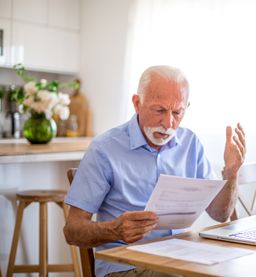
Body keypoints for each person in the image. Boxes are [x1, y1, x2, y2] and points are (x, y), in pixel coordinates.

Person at [63, 65, 246, 277]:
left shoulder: (190, 143)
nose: (168, 123)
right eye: (159, 110)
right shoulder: (105, 149)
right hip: (126, 267)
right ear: (137, 103)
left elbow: (220, 214)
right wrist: (114, 229)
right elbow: (72, 231)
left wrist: (232, 173)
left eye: (177, 112)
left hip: (181, 259)